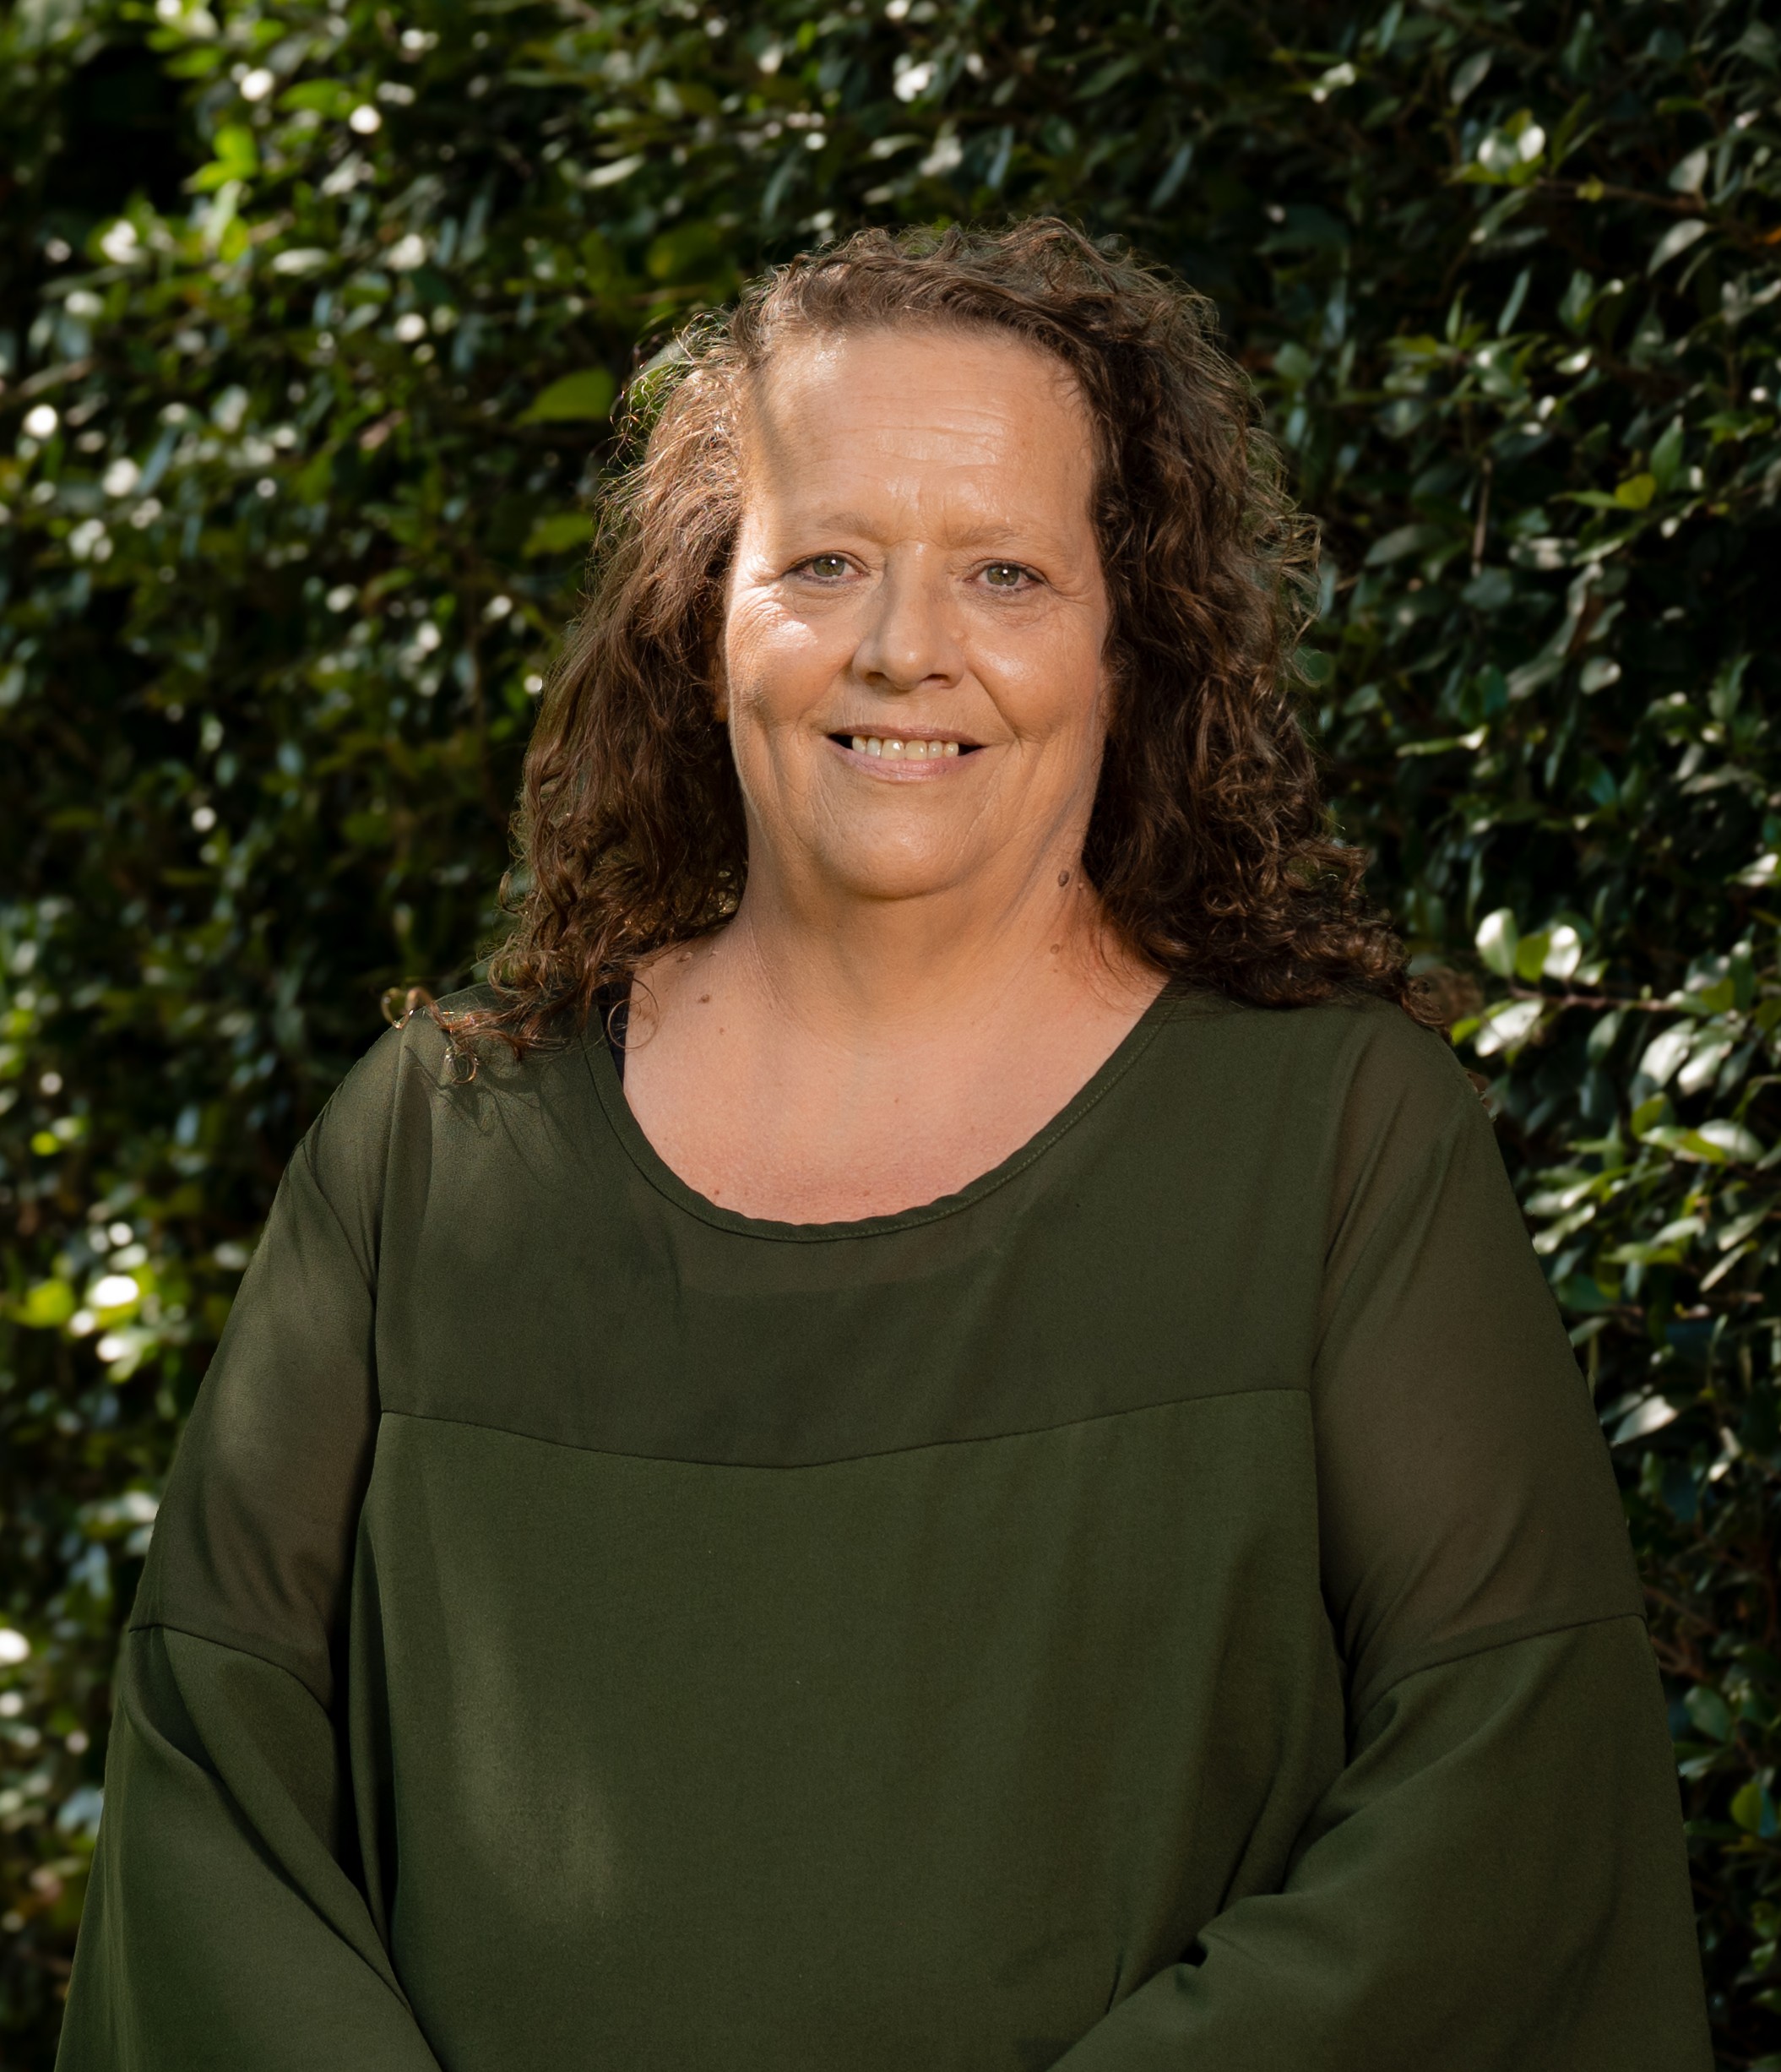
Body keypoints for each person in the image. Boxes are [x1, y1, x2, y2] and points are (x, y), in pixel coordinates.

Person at [58, 220, 1709, 2069]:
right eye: (822, 562)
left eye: (1003, 573)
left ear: (1127, 637)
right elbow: (214, 1775)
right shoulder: (433, 1158)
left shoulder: (1330, 1142)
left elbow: (1503, 1777)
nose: (904, 649)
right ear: (704, 616)